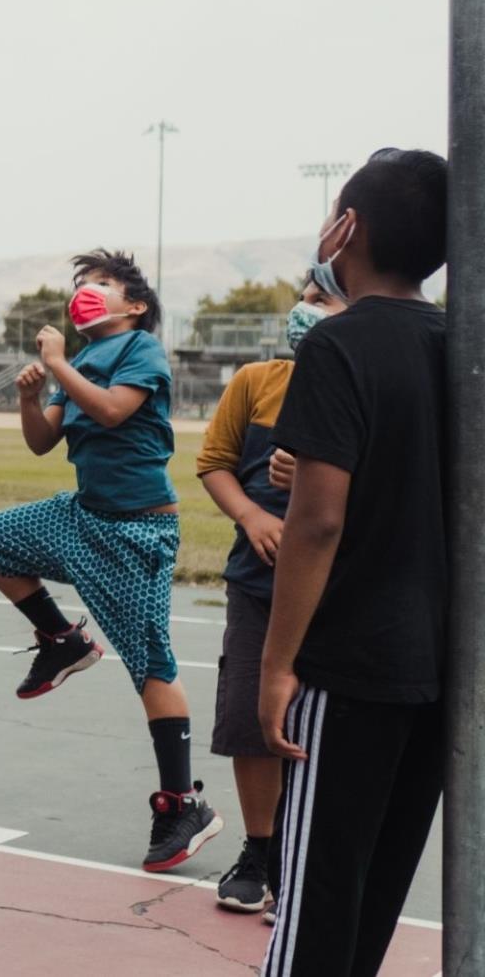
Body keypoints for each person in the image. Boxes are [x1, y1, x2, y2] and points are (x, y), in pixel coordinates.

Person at [0, 249, 222, 873]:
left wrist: (54, 365)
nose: (85, 292)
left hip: (135, 531)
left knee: (150, 662)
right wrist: (32, 396)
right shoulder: (75, 363)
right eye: (80, 284)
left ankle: (184, 803)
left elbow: (111, 410)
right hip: (82, 513)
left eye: (100, 283)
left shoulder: (141, 352)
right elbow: (43, 442)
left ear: (135, 306)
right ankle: (61, 641)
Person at [258, 150, 449, 977]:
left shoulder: (337, 346)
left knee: (317, 899)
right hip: (440, 666)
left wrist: (276, 664)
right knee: (372, 897)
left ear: (347, 228)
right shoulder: (458, 342)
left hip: (354, 662)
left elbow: (316, 520)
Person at [193, 278, 346, 916]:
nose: (307, 307)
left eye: (326, 296)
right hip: (258, 586)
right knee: (251, 719)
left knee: (327, 727)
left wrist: (314, 475)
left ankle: (309, 858)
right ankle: (261, 850)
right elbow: (214, 462)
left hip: (341, 591)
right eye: (308, 291)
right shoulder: (256, 381)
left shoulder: (359, 384)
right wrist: (253, 516)